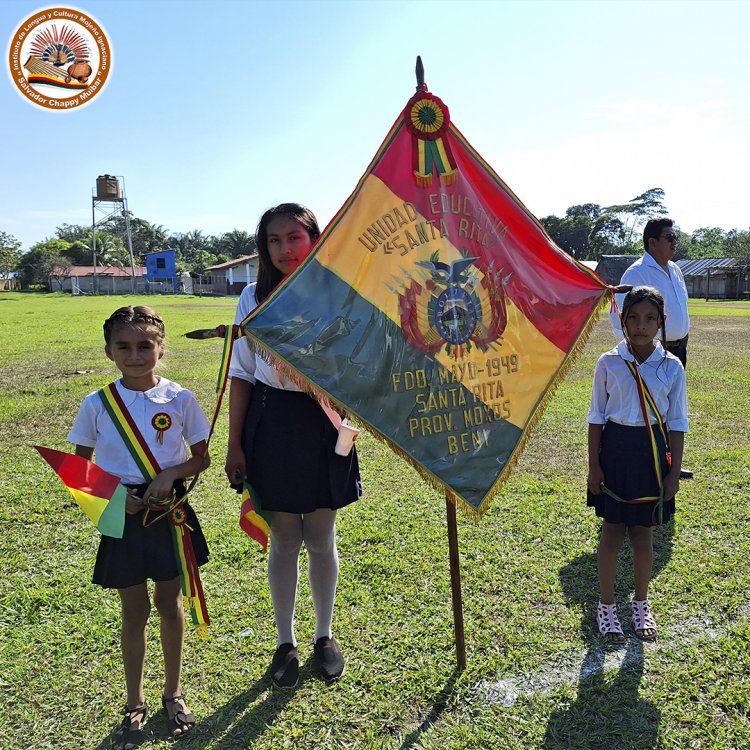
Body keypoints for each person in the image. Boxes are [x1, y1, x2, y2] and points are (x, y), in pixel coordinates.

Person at [225, 203, 361, 689]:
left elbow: (358, 362)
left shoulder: (337, 293)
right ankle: (286, 642)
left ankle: (325, 636)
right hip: (272, 420)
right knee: (284, 538)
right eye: (274, 240)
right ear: (264, 247)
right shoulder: (252, 297)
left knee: (322, 536)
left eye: (294, 237)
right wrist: (235, 444)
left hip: (325, 421)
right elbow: (242, 372)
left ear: (313, 237)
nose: (284, 248)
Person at [68, 306, 210, 749]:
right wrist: (116, 501)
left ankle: (173, 692)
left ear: (161, 347)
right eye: (124, 347)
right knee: (134, 612)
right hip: (121, 512)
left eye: (145, 345)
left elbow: (201, 456)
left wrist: (170, 475)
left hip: (169, 514)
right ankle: (134, 700)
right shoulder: (97, 404)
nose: (135, 355)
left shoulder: (180, 399)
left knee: (170, 604)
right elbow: (79, 467)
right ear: (109, 351)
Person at [588, 286, 688, 643]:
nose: (641, 326)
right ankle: (606, 606)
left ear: (661, 323)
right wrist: (593, 467)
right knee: (612, 532)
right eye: (633, 317)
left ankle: (641, 603)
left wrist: (674, 472)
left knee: (643, 535)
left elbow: (677, 422)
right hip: (614, 453)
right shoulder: (608, 363)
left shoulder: (672, 366)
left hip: (651, 455)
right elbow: (596, 418)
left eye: (649, 319)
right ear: (623, 319)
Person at [611, 217, 693, 478]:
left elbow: (681, 309)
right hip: (651, 352)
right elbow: (619, 317)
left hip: (677, 351)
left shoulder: (676, 270)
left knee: (671, 408)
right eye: (670, 237)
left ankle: (671, 461)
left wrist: (683, 337)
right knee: (652, 408)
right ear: (652, 242)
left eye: (675, 237)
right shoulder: (636, 273)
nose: (674, 242)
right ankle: (652, 458)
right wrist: (640, 350)